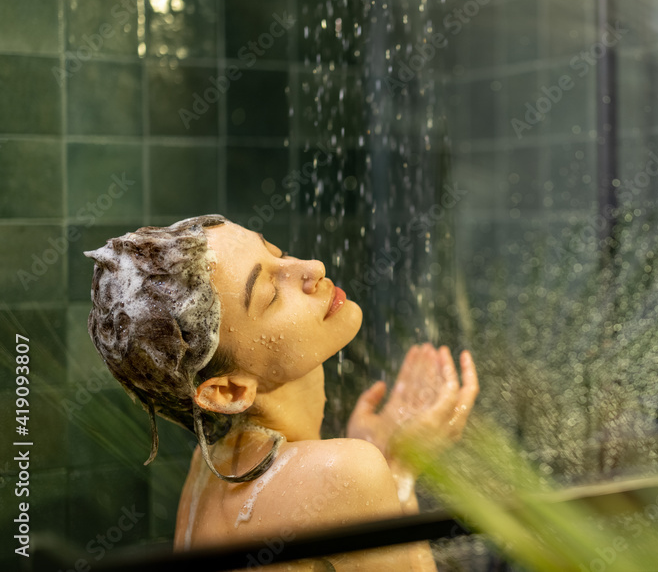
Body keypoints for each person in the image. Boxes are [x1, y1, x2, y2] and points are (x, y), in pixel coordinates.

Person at [85, 214, 478, 571]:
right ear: (229, 390)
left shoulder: (206, 473)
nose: (311, 268)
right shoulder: (343, 472)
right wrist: (402, 472)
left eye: (279, 254)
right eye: (270, 293)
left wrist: (383, 460)